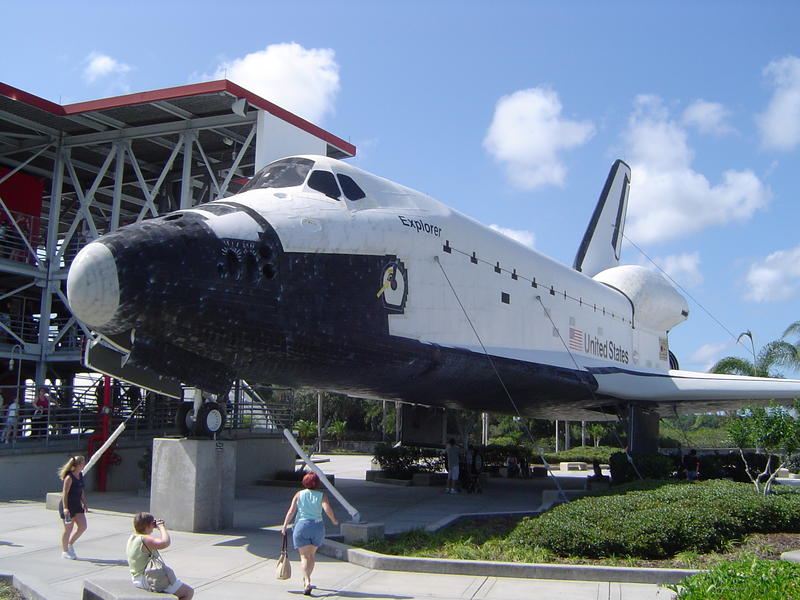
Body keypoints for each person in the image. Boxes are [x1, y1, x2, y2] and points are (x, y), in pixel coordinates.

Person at [281, 472, 339, 596]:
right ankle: (307, 578)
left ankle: (306, 581)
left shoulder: (299, 494)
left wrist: (285, 525)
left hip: (302, 526)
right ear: (317, 483)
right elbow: (327, 509)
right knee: (311, 556)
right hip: (317, 527)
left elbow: (291, 511)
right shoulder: (322, 495)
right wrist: (334, 520)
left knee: (304, 557)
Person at [126, 512, 193, 599]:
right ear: (147, 526)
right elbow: (165, 542)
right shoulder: (145, 540)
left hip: (137, 578)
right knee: (188, 592)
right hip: (148, 579)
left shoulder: (133, 537)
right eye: (152, 523)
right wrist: (162, 527)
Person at [58, 455, 88, 559]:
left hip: (77, 505)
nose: (84, 464)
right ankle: (65, 551)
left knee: (83, 526)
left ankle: (70, 544)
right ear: (78, 464)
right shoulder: (69, 477)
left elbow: (81, 490)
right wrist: (66, 508)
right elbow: (65, 493)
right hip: (68, 505)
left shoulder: (80, 475)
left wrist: (84, 503)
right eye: (83, 462)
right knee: (68, 529)